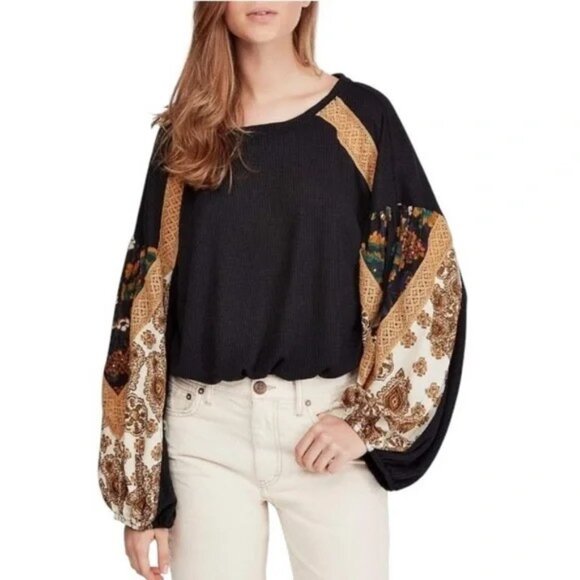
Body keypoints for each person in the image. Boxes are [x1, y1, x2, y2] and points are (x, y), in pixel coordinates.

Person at [97, 2, 468, 579]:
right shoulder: (185, 134)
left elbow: (428, 275)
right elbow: (142, 304)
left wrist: (367, 423)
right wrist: (141, 491)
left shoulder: (363, 117)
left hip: (326, 425)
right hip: (203, 435)